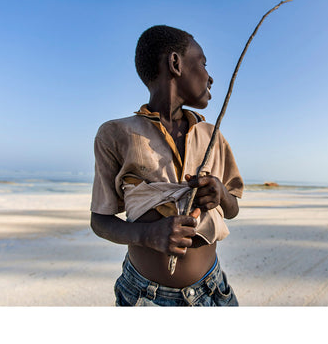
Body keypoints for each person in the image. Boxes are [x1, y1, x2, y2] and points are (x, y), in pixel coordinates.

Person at [90, 25, 244, 306]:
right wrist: (147, 235)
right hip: (146, 296)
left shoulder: (213, 136)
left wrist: (221, 194)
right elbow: (100, 221)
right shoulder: (116, 134)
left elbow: (232, 209)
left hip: (213, 289)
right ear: (175, 63)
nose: (210, 78)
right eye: (203, 63)